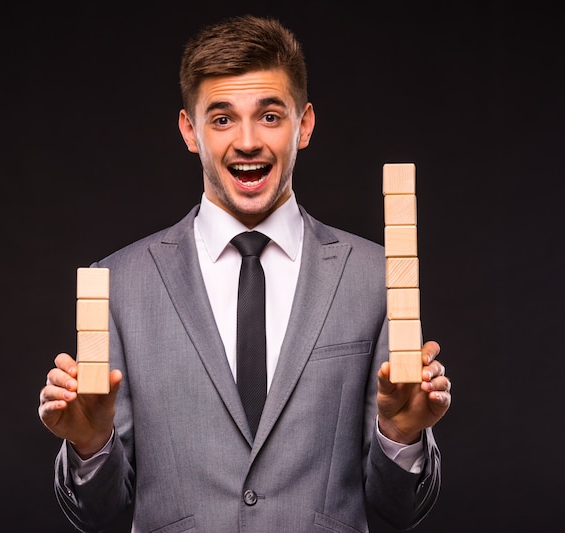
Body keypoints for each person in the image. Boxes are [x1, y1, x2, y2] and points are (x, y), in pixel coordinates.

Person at [38, 14, 451, 533]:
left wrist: (400, 434)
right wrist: (91, 444)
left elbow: (399, 511)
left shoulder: (376, 278)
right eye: (223, 118)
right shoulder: (119, 285)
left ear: (305, 125)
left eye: (271, 116)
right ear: (190, 130)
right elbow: (101, 516)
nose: (249, 141)